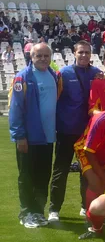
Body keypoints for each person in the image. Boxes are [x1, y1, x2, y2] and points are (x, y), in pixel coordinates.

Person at [48, 41, 102, 222]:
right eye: (81, 52)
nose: (84, 55)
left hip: (88, 134)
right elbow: (54, 100)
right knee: (60, 170)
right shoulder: (64, 73)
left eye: (87, 52)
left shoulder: (97, 74)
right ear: (74, 53)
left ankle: (84, 206)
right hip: (66, 130)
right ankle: (54, 209)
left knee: (86, 171)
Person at [9, 43, 57, 228]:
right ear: (31, 56)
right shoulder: (23, 77)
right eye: (39, 56)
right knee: (26, 176)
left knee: (43, 176)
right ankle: (25, 213)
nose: (43, 59)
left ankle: (37, 212)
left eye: (46, 55)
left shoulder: (53, 75)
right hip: (28, 139)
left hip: (47, 138)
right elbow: (16, 109)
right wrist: (19, 136)